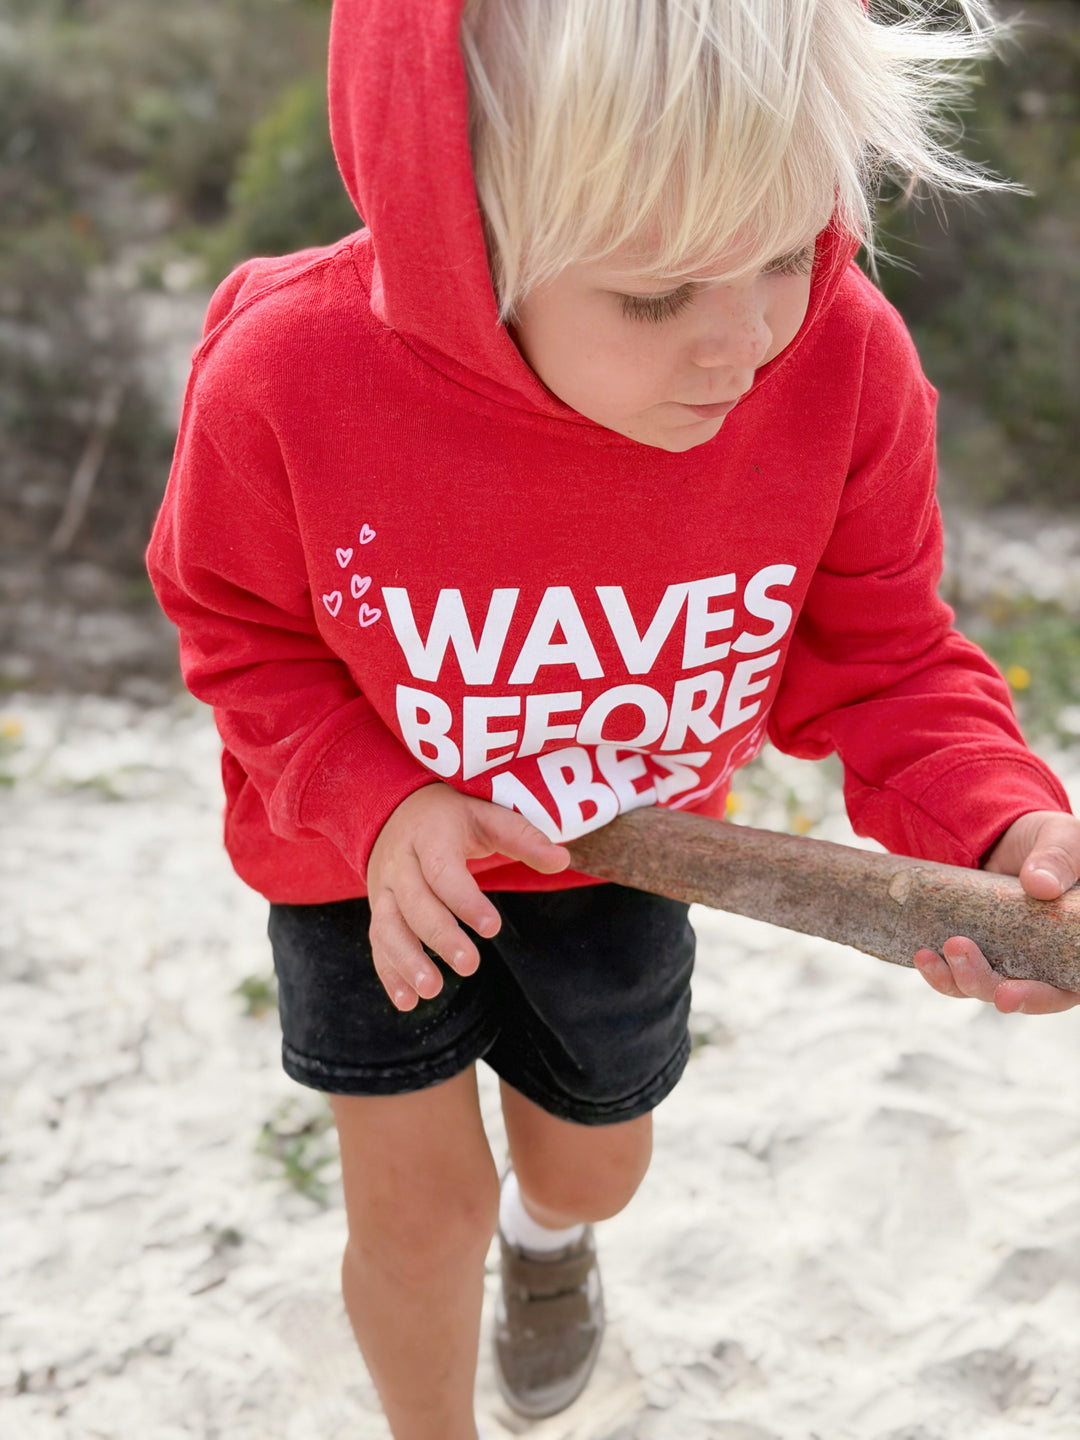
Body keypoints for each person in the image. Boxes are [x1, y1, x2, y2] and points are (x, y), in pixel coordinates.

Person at [147, 1, 1080, 1436]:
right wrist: (376, 798)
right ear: (469, 236)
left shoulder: (840, 364)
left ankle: (553, 1245)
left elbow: (887, 659)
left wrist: (1004, 828)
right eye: (655, 297)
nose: (745, 342)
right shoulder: (290, 381)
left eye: (787, 251)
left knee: (592, 1172)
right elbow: (240, 628)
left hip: (630, 854)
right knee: (416, 1214)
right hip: (373, 874)